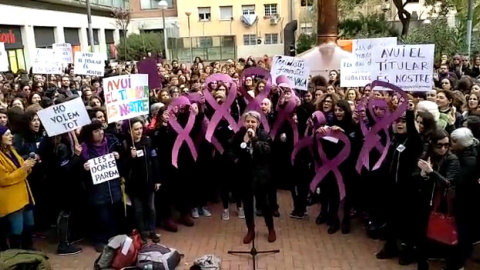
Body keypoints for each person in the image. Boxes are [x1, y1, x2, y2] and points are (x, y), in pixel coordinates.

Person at [229, 111, 276, 244]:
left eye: (253, 122)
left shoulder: (263, 135)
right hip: (245, 176)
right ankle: (250, 230)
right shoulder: (239, 135)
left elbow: (267, 151)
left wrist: (254, 139)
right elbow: (231, 150)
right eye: (248, 121)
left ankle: (271, 228)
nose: (250, 124)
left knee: (264, 204)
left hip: (260, 176)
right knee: (248, 205)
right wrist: (236, 160)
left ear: (258, 123)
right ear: (244, 123)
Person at [79, 120, 124, 252]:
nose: (101, 132)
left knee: (113, 213)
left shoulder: (112, 143)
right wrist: (84, 168)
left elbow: (123, 164)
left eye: (101, 129)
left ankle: (113, 239)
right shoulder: (84, 149)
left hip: (113, 186)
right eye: (96, 131)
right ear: (89, 134)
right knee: (101, 216)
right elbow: (77, 173)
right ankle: (99, 240)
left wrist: (119, 156)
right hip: (96, 190)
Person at [123, 118, 161, 244]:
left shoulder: (148, 141)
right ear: (130, 131)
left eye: (140, 128)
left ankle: (152, 230)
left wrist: (157, 179)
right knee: (138, 210)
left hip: (148, 182)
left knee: (151, 208)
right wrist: (130, 157)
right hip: (134, 186)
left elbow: (154, 161)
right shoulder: (125, 144)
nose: (139, 131)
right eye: (136, 129)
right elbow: (122, 167)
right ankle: (142, 232)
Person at [0, 126, 37, 249]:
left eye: (11, 134)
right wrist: (23, 169)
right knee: (17, 228)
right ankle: (16, 255)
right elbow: (4, 179)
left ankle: (29, 250)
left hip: (25, 193)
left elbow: (23, 169)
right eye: (7, 134)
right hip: (12, 198)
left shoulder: (12, 150)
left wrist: (29, 166)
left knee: (29, 224)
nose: (11, 136)